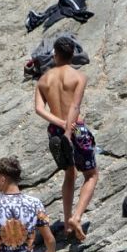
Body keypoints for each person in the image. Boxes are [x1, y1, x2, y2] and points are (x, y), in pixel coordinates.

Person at [32, 36, 96, 241]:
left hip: (55, 130)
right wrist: (68, 129)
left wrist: (59, 124)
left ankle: (67, 224)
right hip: (75, 128)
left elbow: (39, 109)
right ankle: (76, 217)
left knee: (69, 174)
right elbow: (75, 106)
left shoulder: (43, 79)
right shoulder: (79, 77)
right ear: (73, 54)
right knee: (91, 175)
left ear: (55, 54)